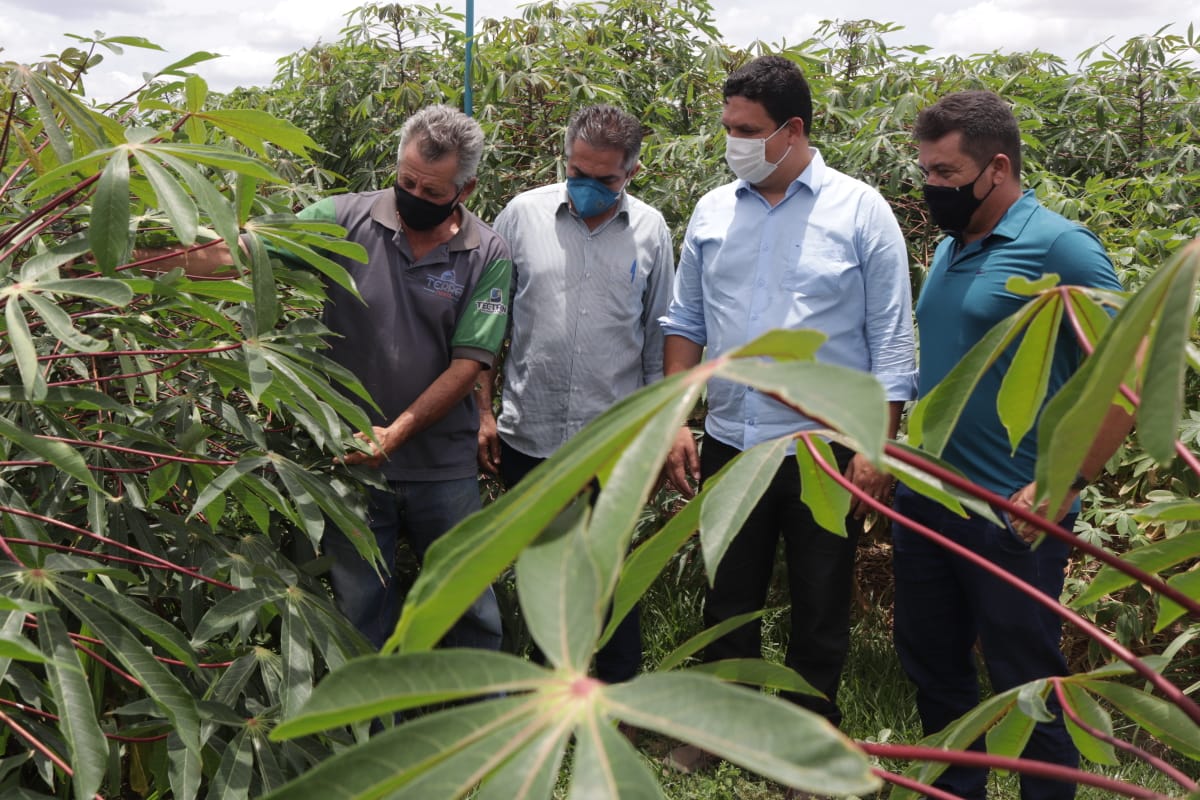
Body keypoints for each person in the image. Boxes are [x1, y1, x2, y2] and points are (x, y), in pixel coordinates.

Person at [147, 105, 511, 653]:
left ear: (466, 187)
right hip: (349, 457)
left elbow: (469, 364)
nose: (414, 194)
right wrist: (138, 256)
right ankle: (369, 731)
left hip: (442, 465)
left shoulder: (487, 251)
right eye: (406, 181)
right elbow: (243, 252)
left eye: (432, 191)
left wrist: (397, 434)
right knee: (361, 606)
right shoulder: (342, 219)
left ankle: (493, 728)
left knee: (470, 606)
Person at [660, 54, 917, 768]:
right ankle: (719, 732)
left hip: (821, 446)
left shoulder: (860, 210)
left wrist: (878, 444)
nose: (732, 142)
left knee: (820, 597)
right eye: (727, 128)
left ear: (793, 129)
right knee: (727, 591)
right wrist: (678, 419)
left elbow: (892, 339)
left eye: (746, 130)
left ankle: (810, 747)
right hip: (731, 437)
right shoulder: (714, 211)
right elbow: (684, 322)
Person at [892, 90, 1129, 800]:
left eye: (945, 173)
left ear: (997, 168)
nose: (933, 188)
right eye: (926, 172)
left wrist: (1068, 481)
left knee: (1026, 680)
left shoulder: (1061, 246)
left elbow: (1126, 374)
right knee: (933, 668)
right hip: (928, 498)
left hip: (1013, 508)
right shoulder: (948, 247)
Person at [476, 104, 675, 684]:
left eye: (604, 179)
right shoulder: (521, 216)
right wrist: (483, 411)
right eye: (577, 172)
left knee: (609, 569)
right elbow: (487, 323)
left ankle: (616, 691)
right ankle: (548, 687)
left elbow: (660, 339)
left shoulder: (651, 230)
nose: (587, 187)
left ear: (632, 172)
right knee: (541, 567)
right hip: (530, 429)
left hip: (613, 437)